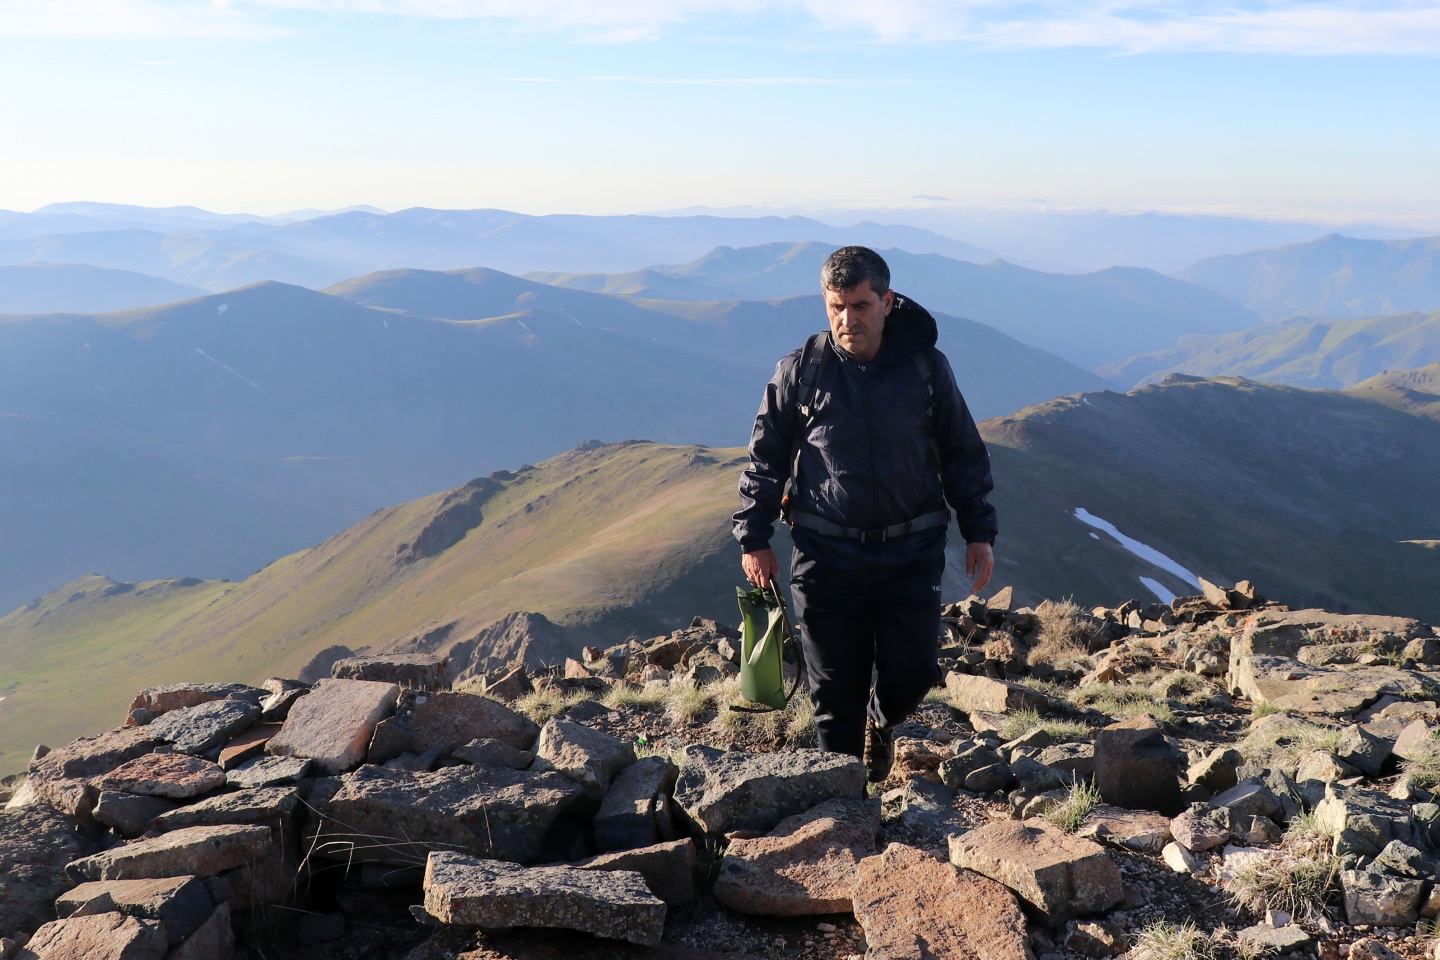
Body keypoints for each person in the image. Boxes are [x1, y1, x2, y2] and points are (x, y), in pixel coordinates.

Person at [733, 245, 997, 781]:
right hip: (826, 554)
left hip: (911, 551)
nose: (846, 319)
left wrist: (979, 531)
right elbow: (766, 459)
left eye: (859, 305)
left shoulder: (925, 368)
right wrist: (753, 538)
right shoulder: (801, 371)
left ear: (887, 302)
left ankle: (881, 720)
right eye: (835, 306)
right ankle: (847, 811)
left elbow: (962, 452)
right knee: (832, 693)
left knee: (914, 671)